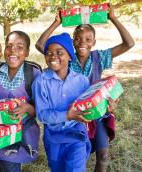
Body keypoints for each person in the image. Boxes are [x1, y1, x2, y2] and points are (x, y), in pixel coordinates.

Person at [35, 5, 134, 171]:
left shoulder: (99, 57)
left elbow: (129, 43)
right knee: (77, 155)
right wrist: (56, 22)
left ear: (94, 42)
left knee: (103, 156)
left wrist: (113, 18)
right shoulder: (65, 57)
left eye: (88, 39)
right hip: (71, 117)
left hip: (95, 113)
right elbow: (42, 45)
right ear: (73, 41)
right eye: (78, 39)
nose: (83, 43)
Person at [0, 31, 41, 172]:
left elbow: (41, 110)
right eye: (9, 46)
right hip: (0, 131)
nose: (12, 51)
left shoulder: (33, 73)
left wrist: (27, 108)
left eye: (19, 47)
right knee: (5, 163)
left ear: (27, 52)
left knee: (11, 164)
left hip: (23, 132)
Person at [34, 33, 91, 172]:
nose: (53, 56)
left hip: (77, 135)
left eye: (59, 52)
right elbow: (42, 115)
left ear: (70, 56)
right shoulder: (41, 82)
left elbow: (90, 107)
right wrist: (67, 115)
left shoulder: (82, 81)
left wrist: (107, 108)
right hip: (54, 138)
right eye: (48, 53)